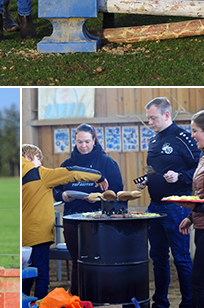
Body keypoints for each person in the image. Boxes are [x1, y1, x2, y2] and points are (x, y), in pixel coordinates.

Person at [137, 97, 199, 308]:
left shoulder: (183, 137)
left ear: (166, 115)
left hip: (177, 207)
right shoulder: (153, 140)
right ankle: (161, 302)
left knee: (181, 258)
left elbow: (200, 167)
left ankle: (188, 303)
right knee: (158, 258)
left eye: (153, 118)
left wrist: (180, 177)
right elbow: (153, 168)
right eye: (148, 119)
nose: (150, 122)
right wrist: (147, 179)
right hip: (154, 207)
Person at [21, 144, 103, 300]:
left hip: (24, 235)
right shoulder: (39, 173)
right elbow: (71, 173)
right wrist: (99, 176)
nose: (41, 163)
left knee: (27, 274)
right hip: (38, 235)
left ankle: (23, 302)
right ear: (28, 157)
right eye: (38, 158)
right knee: (42, 276)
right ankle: (40, 304)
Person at [53, 124, 119, 296]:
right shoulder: (67, 164)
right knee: (77, 261)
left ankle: (101, 295)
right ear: (75, 141)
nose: (83, 146)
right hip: (72, 220)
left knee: (100, 258)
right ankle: (77, 296)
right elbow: (55, 190)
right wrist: (63, 195)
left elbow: (118, 190)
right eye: (80, 142)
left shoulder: (107, 163)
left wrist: (102, 194)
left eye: (87, 141)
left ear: (94, 140)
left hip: (99, 221)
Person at [177, 109, 204, 308]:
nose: (192, 135)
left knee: (198, 283)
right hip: (202, 227)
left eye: (195, 131)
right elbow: (203, 194)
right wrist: (191, 216)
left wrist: (198, 209)